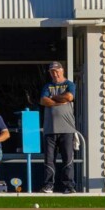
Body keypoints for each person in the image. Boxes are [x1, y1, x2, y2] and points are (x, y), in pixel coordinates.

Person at [40, 61, 77, 194]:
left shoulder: (69, 84)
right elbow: (43, 100)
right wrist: (59, 101)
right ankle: (48, 185)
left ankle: (69, 185)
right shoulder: (47, 86)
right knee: (49, 159)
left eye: (56, 70)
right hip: (50, 129)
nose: (54, 73)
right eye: (51, 71)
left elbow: (69, 96)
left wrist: (53, 98)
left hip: (67, 129)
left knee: (68, 159)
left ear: (62, 70)